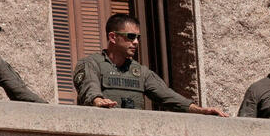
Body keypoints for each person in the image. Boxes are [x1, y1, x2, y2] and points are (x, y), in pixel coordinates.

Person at [74, 14, 228, 116]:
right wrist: (98, 101)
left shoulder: (140, 72)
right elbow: (90, 88)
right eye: (131, 36)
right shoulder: (91, 64)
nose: (135, 42)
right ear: (113, 37)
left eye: (137, 37)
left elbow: (169, 97)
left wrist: (201, 110)